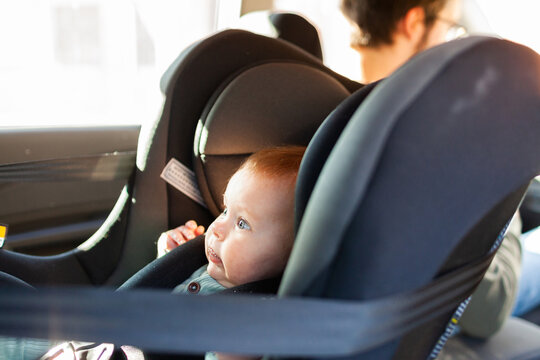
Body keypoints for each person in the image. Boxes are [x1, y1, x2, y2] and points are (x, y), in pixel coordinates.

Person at [338, 0, 527, 339]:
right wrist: (507, 209)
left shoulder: (322, 105)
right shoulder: (417, 142)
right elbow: (490, 309)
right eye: (450, 28)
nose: (450, 41)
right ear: (413, 22)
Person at [39, 145, 305, 360]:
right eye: (225, 210)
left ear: (293, 256)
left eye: (242, 223)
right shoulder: (201, 265)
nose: (217, 229)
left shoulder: (257, 320)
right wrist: (165, 261)